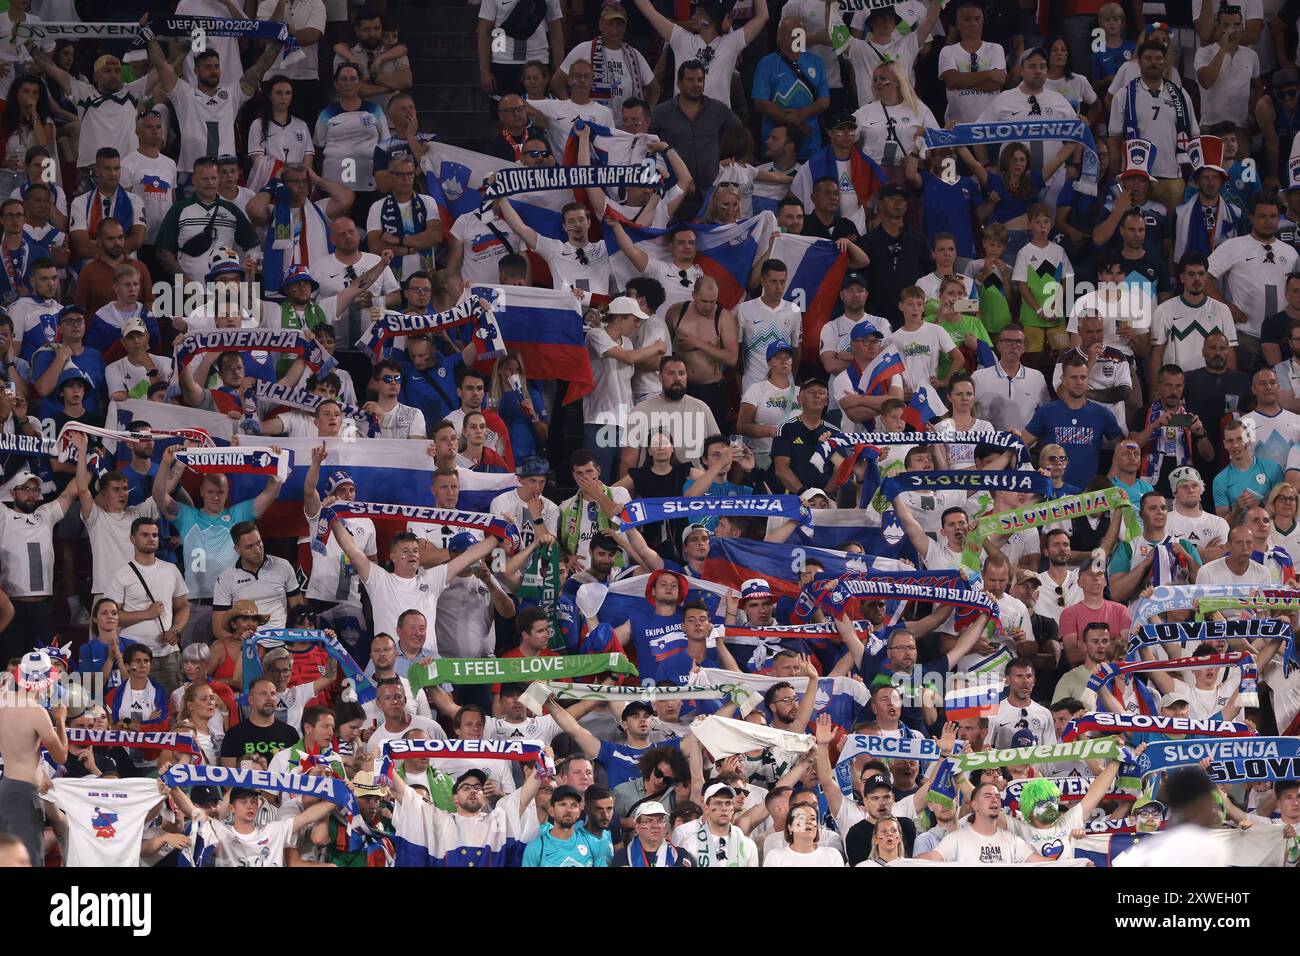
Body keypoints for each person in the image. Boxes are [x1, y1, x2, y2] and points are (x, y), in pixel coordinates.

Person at [0, 650, 68, 866]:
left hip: (7, 786)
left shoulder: (3, 700)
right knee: (27, 861)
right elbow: (62, 756)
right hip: (24, 793)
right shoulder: (37, 712)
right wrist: (61, 721)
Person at [1023, 354, 1125, 489]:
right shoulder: (1047, 412)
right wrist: (1031, 475)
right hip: (1051, 492)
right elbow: (1021, 443)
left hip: (1087, 494)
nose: (1079, 382)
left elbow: (1123, 448)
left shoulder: (1102, 414)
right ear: (1063, 380)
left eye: (1083, 377)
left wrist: (1110, 478)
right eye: (1073, 377)